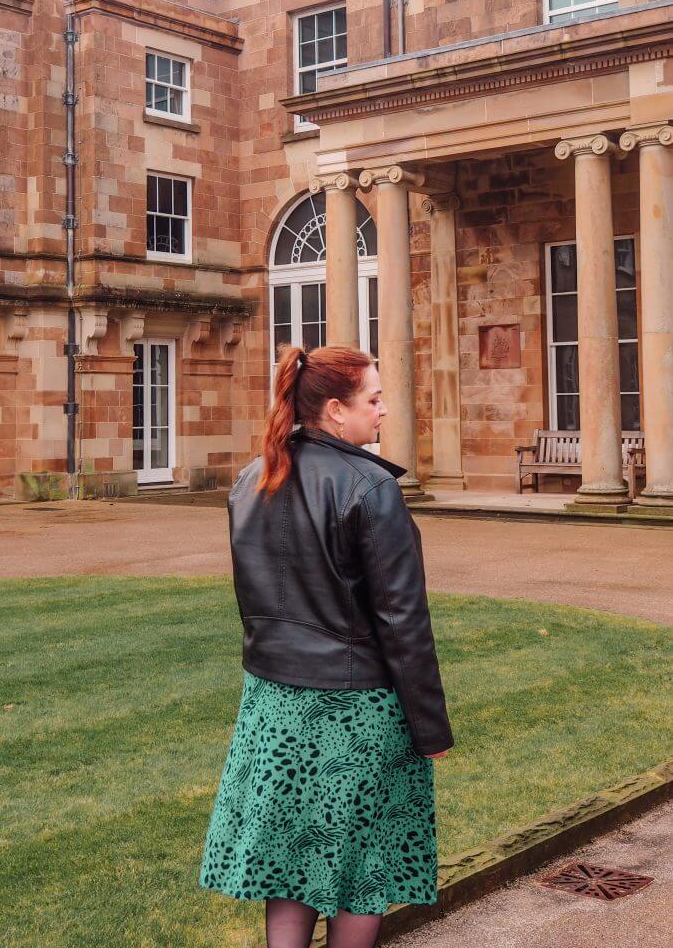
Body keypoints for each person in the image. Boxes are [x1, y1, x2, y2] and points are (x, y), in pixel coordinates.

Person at [198, 344, 454, 948]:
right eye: (374, 398)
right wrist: (431, 730)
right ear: (337, 411)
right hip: (355, 710)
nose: (385, 410)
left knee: (292, 866)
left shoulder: (251, 477)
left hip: (274, 706)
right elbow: (403, 622)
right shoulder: (370, 488)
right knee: (361, 872)